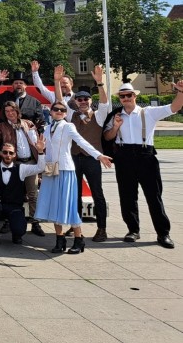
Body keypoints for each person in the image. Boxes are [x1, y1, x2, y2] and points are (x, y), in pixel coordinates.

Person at [103, 80, 183, 249]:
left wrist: (181, 92)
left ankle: (163, 233)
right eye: (122, 96)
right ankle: (133, 230)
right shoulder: (116, 115)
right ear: (120, 98)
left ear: (135, 96)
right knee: (127, 196)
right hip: (124, 156)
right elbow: (108, 137)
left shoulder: (149, 112)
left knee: (154, 196)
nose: (126, 98)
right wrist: (116, 127)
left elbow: (174, 107)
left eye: (128, 95)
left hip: (146, 155)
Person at [35, 102, 113, 254]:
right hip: (51, 170)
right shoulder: (47, 129)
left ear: (66, 113)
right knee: (54, 205)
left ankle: (78, 239)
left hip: (65, 169)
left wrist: (98, 155)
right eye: (56, 109)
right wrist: (40, 152)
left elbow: (82, 142)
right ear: (50, 112)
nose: (59, 111)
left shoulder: (68, 126)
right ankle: (60, 239)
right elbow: (46, 151)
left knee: (68, 205)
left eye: (62, 110)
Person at [60, 65, 111, 242]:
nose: (82, 102)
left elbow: (105, 103)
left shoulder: (98, 116)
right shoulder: (71, 116)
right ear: (75, 101)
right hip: (74, 158)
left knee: (97, 193)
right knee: (75, 193)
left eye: (85, 99)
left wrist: (100, 83)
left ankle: (102, 228)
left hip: (92, 160)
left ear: (90, 101)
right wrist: (57, 82)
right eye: (79, 99)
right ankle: (76, 226)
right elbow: (59, 101)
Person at [0, 141, 46, 247]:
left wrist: (40, 152)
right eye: (5, 152)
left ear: (15, 155)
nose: (8, 155)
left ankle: (16, 232)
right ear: (1, 153)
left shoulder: (21, 169)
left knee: (19, 231)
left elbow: (40, 168)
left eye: (11, 153)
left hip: (15, 207)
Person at [0, 100, 44, 237]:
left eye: (12, 110)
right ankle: (9, 220)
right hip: (15, 164)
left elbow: (37, 141)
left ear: (17, 111)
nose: (10, 113)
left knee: (33, 193)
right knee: (11, 194)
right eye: (7, 111)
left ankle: (35, 222)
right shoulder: (1, 126)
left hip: (30, 162)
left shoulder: (28, 123)